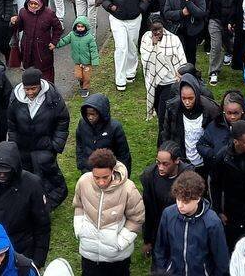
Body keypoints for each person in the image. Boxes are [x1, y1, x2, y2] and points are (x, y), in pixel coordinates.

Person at [0, 142, 51, 267]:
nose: (2, 174)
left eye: (6, 171)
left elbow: (42, 225)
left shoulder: (32, 185)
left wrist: (38, 261)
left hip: (23, 249)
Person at [73, 148, 146, 276]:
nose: (101, 182)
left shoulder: (128, 189)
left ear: (113, 170)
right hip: (89, 254)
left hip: (117, 258)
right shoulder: (83, 182)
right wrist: (79, 229)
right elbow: (79, 205)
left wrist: (120, 243)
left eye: (105, 177)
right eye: (96, 177)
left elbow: (136, 218)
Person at [7, 68, 71, 209]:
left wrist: (56, 145)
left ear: (40, 85)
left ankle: (50, 203)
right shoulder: (15, 99)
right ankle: (34, 205)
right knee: (27, 178)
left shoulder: (52, 98)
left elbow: (63, 120)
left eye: (33, 88)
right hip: (23, 148)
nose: (30, 93)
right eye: (27, 89)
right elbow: (12, 125)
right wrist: (13, 146)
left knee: (49, 176)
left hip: (45, 147)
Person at [154, 171, 230, 276]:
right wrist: (163, 271)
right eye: (178, 199)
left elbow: (221, 258)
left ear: (198, 198)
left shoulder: (212, 222)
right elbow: (160, 248)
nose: (180, 205)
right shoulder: (168, 214)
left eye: (186, 202)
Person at [141, 142, 194, 260]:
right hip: (159, 231)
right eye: (158, 162)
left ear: (177, 161)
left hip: (182, 232)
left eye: (165, 164)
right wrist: (147, 240)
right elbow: (148, 209)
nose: (160, 167)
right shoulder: (149, 177)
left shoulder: (189, 178)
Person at [159, 74, 220, 173]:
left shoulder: (210, 110)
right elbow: (166, 133)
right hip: (182, 163)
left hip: (205, 162)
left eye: (190, 98)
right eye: (184, 98)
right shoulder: (173, 108)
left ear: (196, 94)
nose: (187, 102)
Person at [141, 14, 186, 125]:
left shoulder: (173, 39)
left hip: (170, 82)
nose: (157, 32)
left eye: (159, 29)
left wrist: (181, 75)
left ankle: (163, 137)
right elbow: (145, 60)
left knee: (163, 114)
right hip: (154, 83)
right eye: (154, 30)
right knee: (157, 108)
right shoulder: (146, 39)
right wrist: (153, 46)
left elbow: (181, 60)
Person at [12, 0, 63, 82]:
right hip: (27, 48)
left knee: (46, 73)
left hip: (43, 49)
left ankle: (49, 91)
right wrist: (14, 22)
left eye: (35, 4)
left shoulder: (49, 13)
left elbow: (58, 28)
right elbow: (19, 27)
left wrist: (54, 42)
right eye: (31, 3)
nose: (33, 6)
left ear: (41, 3)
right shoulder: (23, 12)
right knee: (30, 71)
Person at [75, 93, 133, 176]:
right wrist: (81, 164)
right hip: (88, 170)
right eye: (88, 114)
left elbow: (123, 154)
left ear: (101, 113)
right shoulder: (82, 124)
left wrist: (122, 174)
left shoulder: (115, 128)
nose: (90, 117)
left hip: (108, 171)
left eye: (93, 114)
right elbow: (79, 145)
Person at [165, 0, 208, 64]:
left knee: (190, 54)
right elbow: (166, 13)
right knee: (177, 53)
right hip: (177, 30)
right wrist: (181, 13)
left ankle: (190, 73)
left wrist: (189, 2)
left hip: (192, 31)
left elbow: (200, 13)